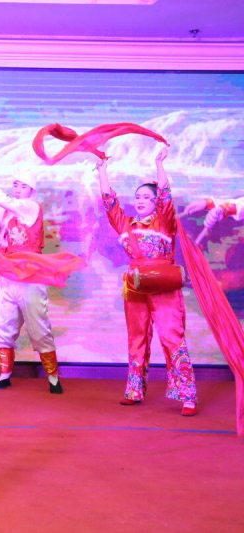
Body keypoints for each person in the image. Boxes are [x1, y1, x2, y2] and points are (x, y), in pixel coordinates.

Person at [96, 148, 198, 415]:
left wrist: (159, 164)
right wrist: (102, 171)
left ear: (156, 202)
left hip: (164, 286)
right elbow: (110, 203)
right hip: (135, 285)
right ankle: (134, 390)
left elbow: (166, 196)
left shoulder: (164, 223)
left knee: (172, 336)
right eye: (137, 197)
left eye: (146, 197)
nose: (140, 200)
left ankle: (187, 395)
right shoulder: (126, 225)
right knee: (137, 337)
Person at [0, 158, 66, 393]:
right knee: (4, 325)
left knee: (39, 328)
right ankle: (4, 375)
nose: (18, 189)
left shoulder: (31, 207)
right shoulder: (7, 210)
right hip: (8, 275)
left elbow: (1, 199)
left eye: (23, 186)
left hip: (30, 277)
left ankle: (53, 378)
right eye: (16, 185)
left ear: (32, 191)